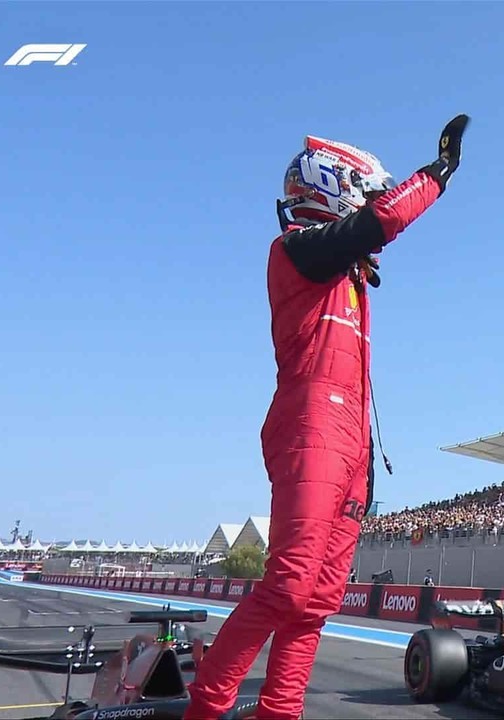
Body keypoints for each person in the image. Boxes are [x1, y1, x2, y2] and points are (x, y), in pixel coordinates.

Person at [183, 115, 470, 720]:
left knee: (317, 601)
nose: (371, 202)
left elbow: (371, 230)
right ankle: (205, 710)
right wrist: (437, 174)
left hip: (350, 441)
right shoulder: (296, 251)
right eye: (364, 191)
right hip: (311, 424)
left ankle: (279, 713)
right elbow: (383, 220)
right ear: (333, 188)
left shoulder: (348, 272)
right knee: (288, 585)